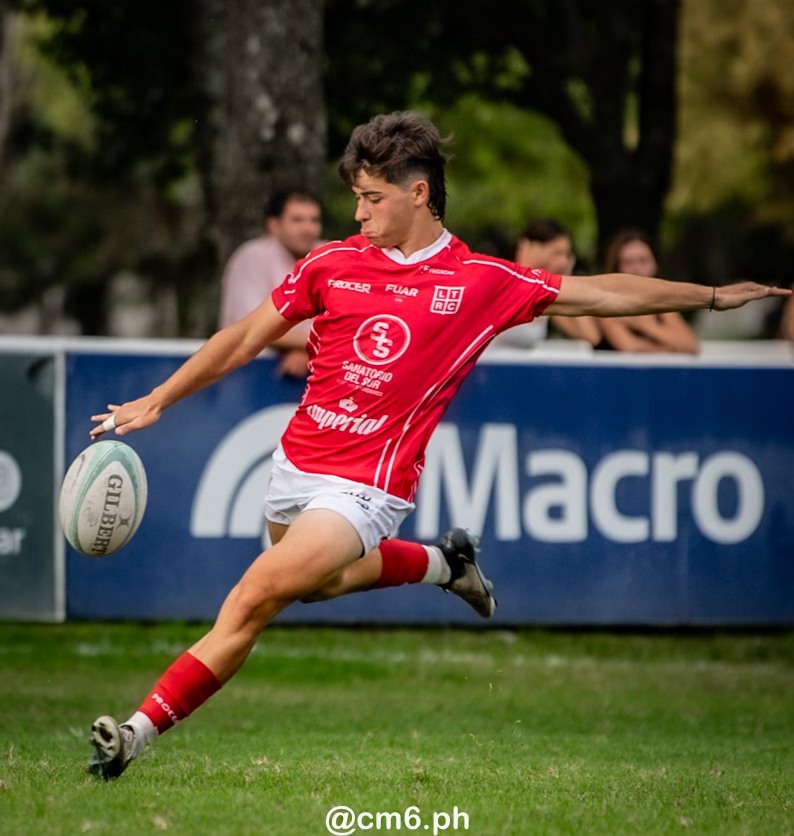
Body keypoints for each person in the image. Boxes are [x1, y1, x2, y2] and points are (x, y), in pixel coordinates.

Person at [85, 112, 789, 780]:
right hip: (295, 465)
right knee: (319, 584)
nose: (358, 214)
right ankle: (443, 563)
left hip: (367, 486)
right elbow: (243, 337)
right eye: (356, 198)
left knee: (255, 595)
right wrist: (158, 399)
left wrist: (709, 296)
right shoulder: (331, 262)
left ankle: (134, 734)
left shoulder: (480, 281)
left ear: (418, 194)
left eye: (371, 199)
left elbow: (603, 295)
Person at [218, 188, 323, 376]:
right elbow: (251, 329)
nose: (308, 229)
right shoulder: (253, 257)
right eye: (297, 220)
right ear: (274, 225)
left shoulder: (330, 256)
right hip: (249, 373)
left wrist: (307, 351)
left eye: (314, 220)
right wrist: (312, 346)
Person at [594, 230, 700, 354]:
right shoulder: (607, 303)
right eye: (628, 262)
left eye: (643, 261)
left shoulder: (662, 302)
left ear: (655, 264)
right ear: (617, 268)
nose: (637, 269)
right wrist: (669, 348)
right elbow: (629, 347)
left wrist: (647, 326)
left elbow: (690, 345)